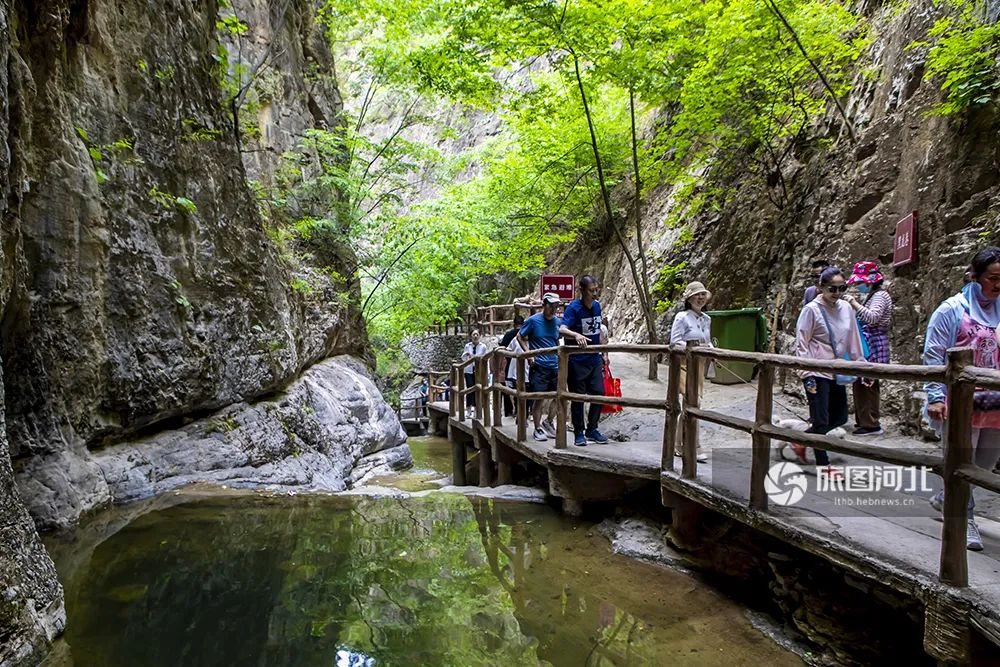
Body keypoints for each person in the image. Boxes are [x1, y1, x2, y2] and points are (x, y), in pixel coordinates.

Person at [923, 246, 1000, 552]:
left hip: (994, 403)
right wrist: (934, 396)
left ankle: (946, 498)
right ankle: (964, 519)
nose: (998, 284)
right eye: (993, 278)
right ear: (974, 277)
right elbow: (933, 353)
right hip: (960, 402)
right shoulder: (952, 310)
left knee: (983, 466)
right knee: (962, 461)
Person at [795, 267, 866, 477]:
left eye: (841, 288)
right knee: (821, 419)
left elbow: (853, 337)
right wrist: (805, 372)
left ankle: (802, 440)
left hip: (836, 368)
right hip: (816, 370)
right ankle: (823, 465)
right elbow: (802, 341)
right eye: (832, 288)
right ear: (821, 288)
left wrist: (860, 364)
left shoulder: (845, 308)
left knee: (840, 416)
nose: (836, 293)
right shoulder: (811, 310)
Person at [843, 261, 892, 436]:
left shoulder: (879, 296)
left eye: (860, 283)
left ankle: (870, 423)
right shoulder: (874, 294)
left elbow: (872, 317)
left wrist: (854, 304)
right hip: (870, 342)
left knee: (867, 383)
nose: (858, 286)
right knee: (864, 383)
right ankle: (865, 421)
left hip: (873, 342)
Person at [560, 275, 609, 446]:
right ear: (582, 290)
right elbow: (562, 328)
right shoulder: (573, 309)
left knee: (599, 393)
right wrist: (576, 335)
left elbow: (599, 330)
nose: (595, 294)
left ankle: (592, 428)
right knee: (578, 397)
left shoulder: (596, 307)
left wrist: (604, 352)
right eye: (591, 291)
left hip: (594, 358)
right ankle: (579, 432)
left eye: (596, 290)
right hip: (576, 360)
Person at [669, 281, 713, 463]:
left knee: (692, 403)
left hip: (699, 365)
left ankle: (678, 445)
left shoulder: (706, 319)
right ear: (689, 298)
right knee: (693, 402)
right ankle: (694, 445)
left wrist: (710, 349)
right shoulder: (682, 317)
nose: (700, 297)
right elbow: (674, 342)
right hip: (684, 364)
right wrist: (692, 348)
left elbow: (707, 341)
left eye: (703, 294)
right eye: (697, 294)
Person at [518, 293, 562, 442]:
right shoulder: (533, 321)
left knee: (560, 395)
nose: (553, 309)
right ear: (544, 305)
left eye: (556, 307)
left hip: (555, 365)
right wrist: (529, 354)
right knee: (539, 398)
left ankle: (548, 421)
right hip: (539, 366)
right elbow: (520, 336)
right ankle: (537, 428)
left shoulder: (557, 322)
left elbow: (557, 340)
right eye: (551, 306)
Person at [498, 315, 525, 417]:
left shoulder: (509, 335)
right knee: (524, 386)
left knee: (509, 387)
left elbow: (503, 349)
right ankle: (522, 411)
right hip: (526, 363)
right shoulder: (526, 334)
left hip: (509, 364)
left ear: (514, 324)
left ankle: (509, 411)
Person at [461, 330, 488, 408]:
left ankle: (476, 408)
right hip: (468, 370)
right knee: (470, 387)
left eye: (477, 334)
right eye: (473, 334)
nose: (475, 336)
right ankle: (469, 407)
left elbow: (485, 358)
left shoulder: (483, 347)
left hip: (478, 370)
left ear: (479, 336)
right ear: (471, 336)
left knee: (477, 388)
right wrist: (467, 355)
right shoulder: (467, 346)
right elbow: (463, 358)